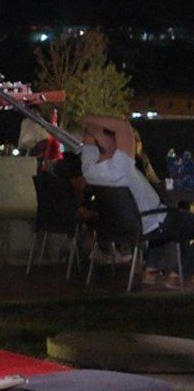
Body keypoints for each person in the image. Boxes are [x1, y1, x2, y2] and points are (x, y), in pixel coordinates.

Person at [80, 115, 194, 288]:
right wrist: (91, 118)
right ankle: (177, 274)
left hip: (122, 226)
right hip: (149, 222)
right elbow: (123, 126)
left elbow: (91, 139)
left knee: (172, 221)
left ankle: (151, 269)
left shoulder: (89, 170)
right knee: (177, 221)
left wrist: (92, 129)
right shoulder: (121, 166)